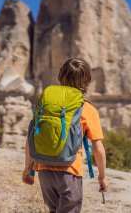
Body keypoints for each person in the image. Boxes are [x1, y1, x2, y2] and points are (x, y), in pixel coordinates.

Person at [22, 58, 108, 213]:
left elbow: (31, 136)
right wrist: (102, 176)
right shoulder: (87, 109)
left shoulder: (47, 103)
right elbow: (98, 148)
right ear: (86, 80)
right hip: (69, 171)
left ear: (60, 77)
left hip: (44, 170)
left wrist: (28, 168)